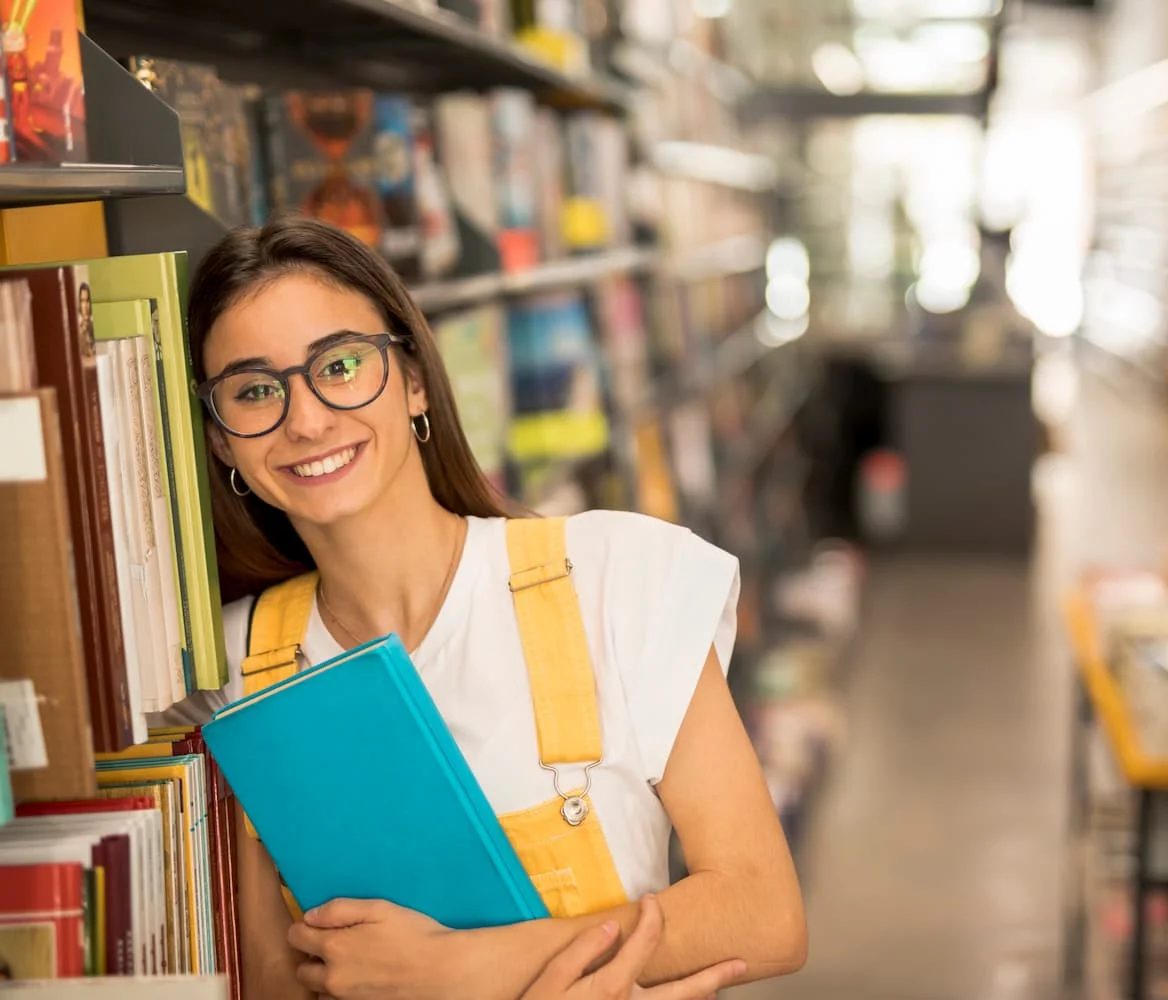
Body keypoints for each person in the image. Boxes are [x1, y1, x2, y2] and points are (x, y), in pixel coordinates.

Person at [156, 215, 806, 999]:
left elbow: (762, 914)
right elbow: (268, 982)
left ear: (417, 378)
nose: (307, 418)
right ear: (222, 441)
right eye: (255, 390)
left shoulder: (615, 576)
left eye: (341, 363)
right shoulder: (226, 674)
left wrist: (456, 971)